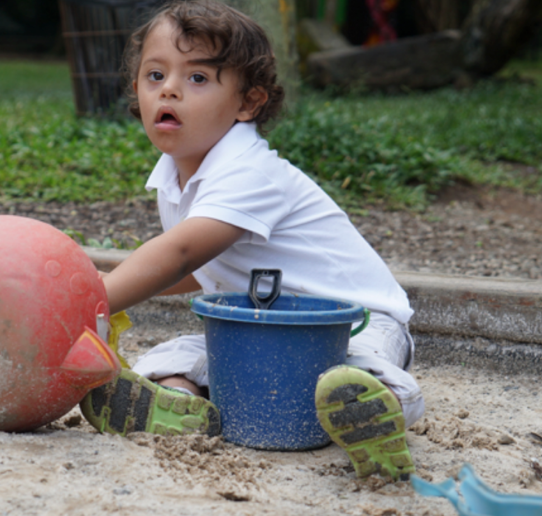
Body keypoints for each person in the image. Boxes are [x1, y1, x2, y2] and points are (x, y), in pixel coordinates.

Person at [80, 0, 424, 481]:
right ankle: (178, 405)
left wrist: (95, 295)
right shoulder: (176, 179)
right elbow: (198, 269)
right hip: (261, 331)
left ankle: (373, 410)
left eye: (197, 78)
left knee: (356, 372)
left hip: (355, 323)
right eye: (155, 75)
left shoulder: (252, 173)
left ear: (248, 102)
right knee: (170, 358)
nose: (170, 91)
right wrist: (116, 283)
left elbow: (179, 255)